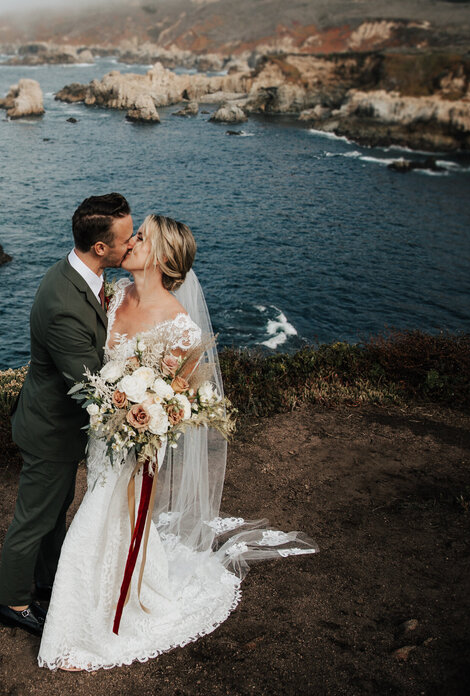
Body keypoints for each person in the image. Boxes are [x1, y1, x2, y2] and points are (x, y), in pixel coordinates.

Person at [37, 214, 317, 671]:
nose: (131, 241)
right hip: (104, 432)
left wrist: (145, 421)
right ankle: (116, 589)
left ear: (163, 258)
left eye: (142, 237)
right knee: (111, 516)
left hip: (138, 439)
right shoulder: (114, 296)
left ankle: (80, 628)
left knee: (96, 516)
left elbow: (179, 399)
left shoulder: (181, 325)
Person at [0, 193, 136, 636]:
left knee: (55, 509)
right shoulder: (62, 304)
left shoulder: (82, 277)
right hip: (50, 430)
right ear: (101, 248)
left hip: (56, 425)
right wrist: (144, 406)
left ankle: (46, 581)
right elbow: (90, 385)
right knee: (35, 517)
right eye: (125, 238)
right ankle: (15, 603)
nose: (131, 244)